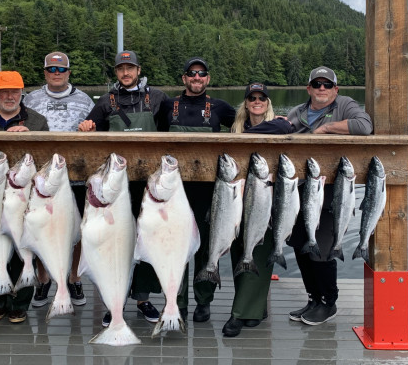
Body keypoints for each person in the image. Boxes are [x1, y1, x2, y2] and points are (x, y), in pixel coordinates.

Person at [77, 50, 168, 326]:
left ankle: (142, 299)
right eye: (121, 69)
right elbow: (91, 130)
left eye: (130, 68)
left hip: (149, 185)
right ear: (116, 73)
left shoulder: (159, 98)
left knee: (147, 241)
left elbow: (171, 131)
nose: (125, 73)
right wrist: (85, 127)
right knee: (111, 244)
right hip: (115, 187)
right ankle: (111, 300)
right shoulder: (106, 101)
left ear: (139, 70)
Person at [286, 66, 373, 326]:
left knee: (322, 247)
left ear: (336, 89)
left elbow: (364, 126)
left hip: (332, 191)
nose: (321, 88)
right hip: (300, 189)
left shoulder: (345, 105)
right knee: (300, 244)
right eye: (316, 84)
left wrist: (325, 130)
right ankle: (313, 298)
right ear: (308, 88)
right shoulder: (297, 112)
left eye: (327, 85)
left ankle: (328, 303)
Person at [160, 57, 236, 323]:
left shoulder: (220, 107)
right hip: (174, 193)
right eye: (192, 73)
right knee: (176, 247)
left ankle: (204, 300)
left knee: (206, 246)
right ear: (184, 78)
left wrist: (278, 120)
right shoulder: (168, 105)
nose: (196, 77)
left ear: (208, 78)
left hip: (209, 192)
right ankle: (177, 301)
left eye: (201, 73)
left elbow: (246, 125)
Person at [22, 52, 95, 309]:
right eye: (51, 69)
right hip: (41, 179)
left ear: (68, 72)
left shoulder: (85, 100)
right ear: (44, 72)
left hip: (76, 177)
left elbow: (97, 129)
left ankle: (74, 278)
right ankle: (43, 279)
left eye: (61, 69)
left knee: (75, 231)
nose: (56, 73)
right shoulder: (29, 99)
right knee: (41, 229)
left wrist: (91, 129)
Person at [223, 82, 292, 337]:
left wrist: (245, 140)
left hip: (266, 200)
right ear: (246, 102)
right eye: (251, 98)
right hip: (239, 199)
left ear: (268, 102)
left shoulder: (279, 123)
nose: (257, 101)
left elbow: (286, 127)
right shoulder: (235, 128)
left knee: (260, 252)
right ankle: (256, 308)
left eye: (261, 97)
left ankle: (239, 314)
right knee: (241, 251)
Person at [0, 70, 48, 324]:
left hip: (23, 197)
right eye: (4, 91)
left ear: (22, 92)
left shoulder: (38, 121)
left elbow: (45, 159)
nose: (10, 96)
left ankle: (19, 304)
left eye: (15, 91)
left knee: (24, 249)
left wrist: (30, 136)